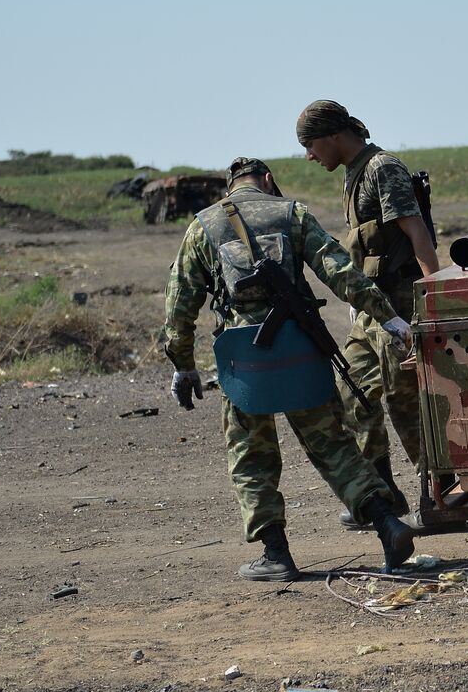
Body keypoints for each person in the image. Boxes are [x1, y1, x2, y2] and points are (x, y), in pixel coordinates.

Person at [162, 157, 417, 580]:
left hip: (245, 363)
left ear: (229, 188)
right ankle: (388, 526)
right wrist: (388, 316)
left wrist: (183, 366)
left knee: (250, 454)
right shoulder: (291, 213)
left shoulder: (202, 226)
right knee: (334, 445)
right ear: (267, 181)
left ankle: (276, 554)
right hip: (300, 351)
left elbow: (179, 304)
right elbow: (340, 271)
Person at [296, 101, 440, 527]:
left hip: (401, 305)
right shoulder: (352, 173)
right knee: (354, 396)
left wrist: (434, 303)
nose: (309, 156)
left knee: (407, 403)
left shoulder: (382, 169)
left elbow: (417, 233)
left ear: (334, 136)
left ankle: (440, 497)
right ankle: (382, 494)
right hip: (370, 311)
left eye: (310, 145)